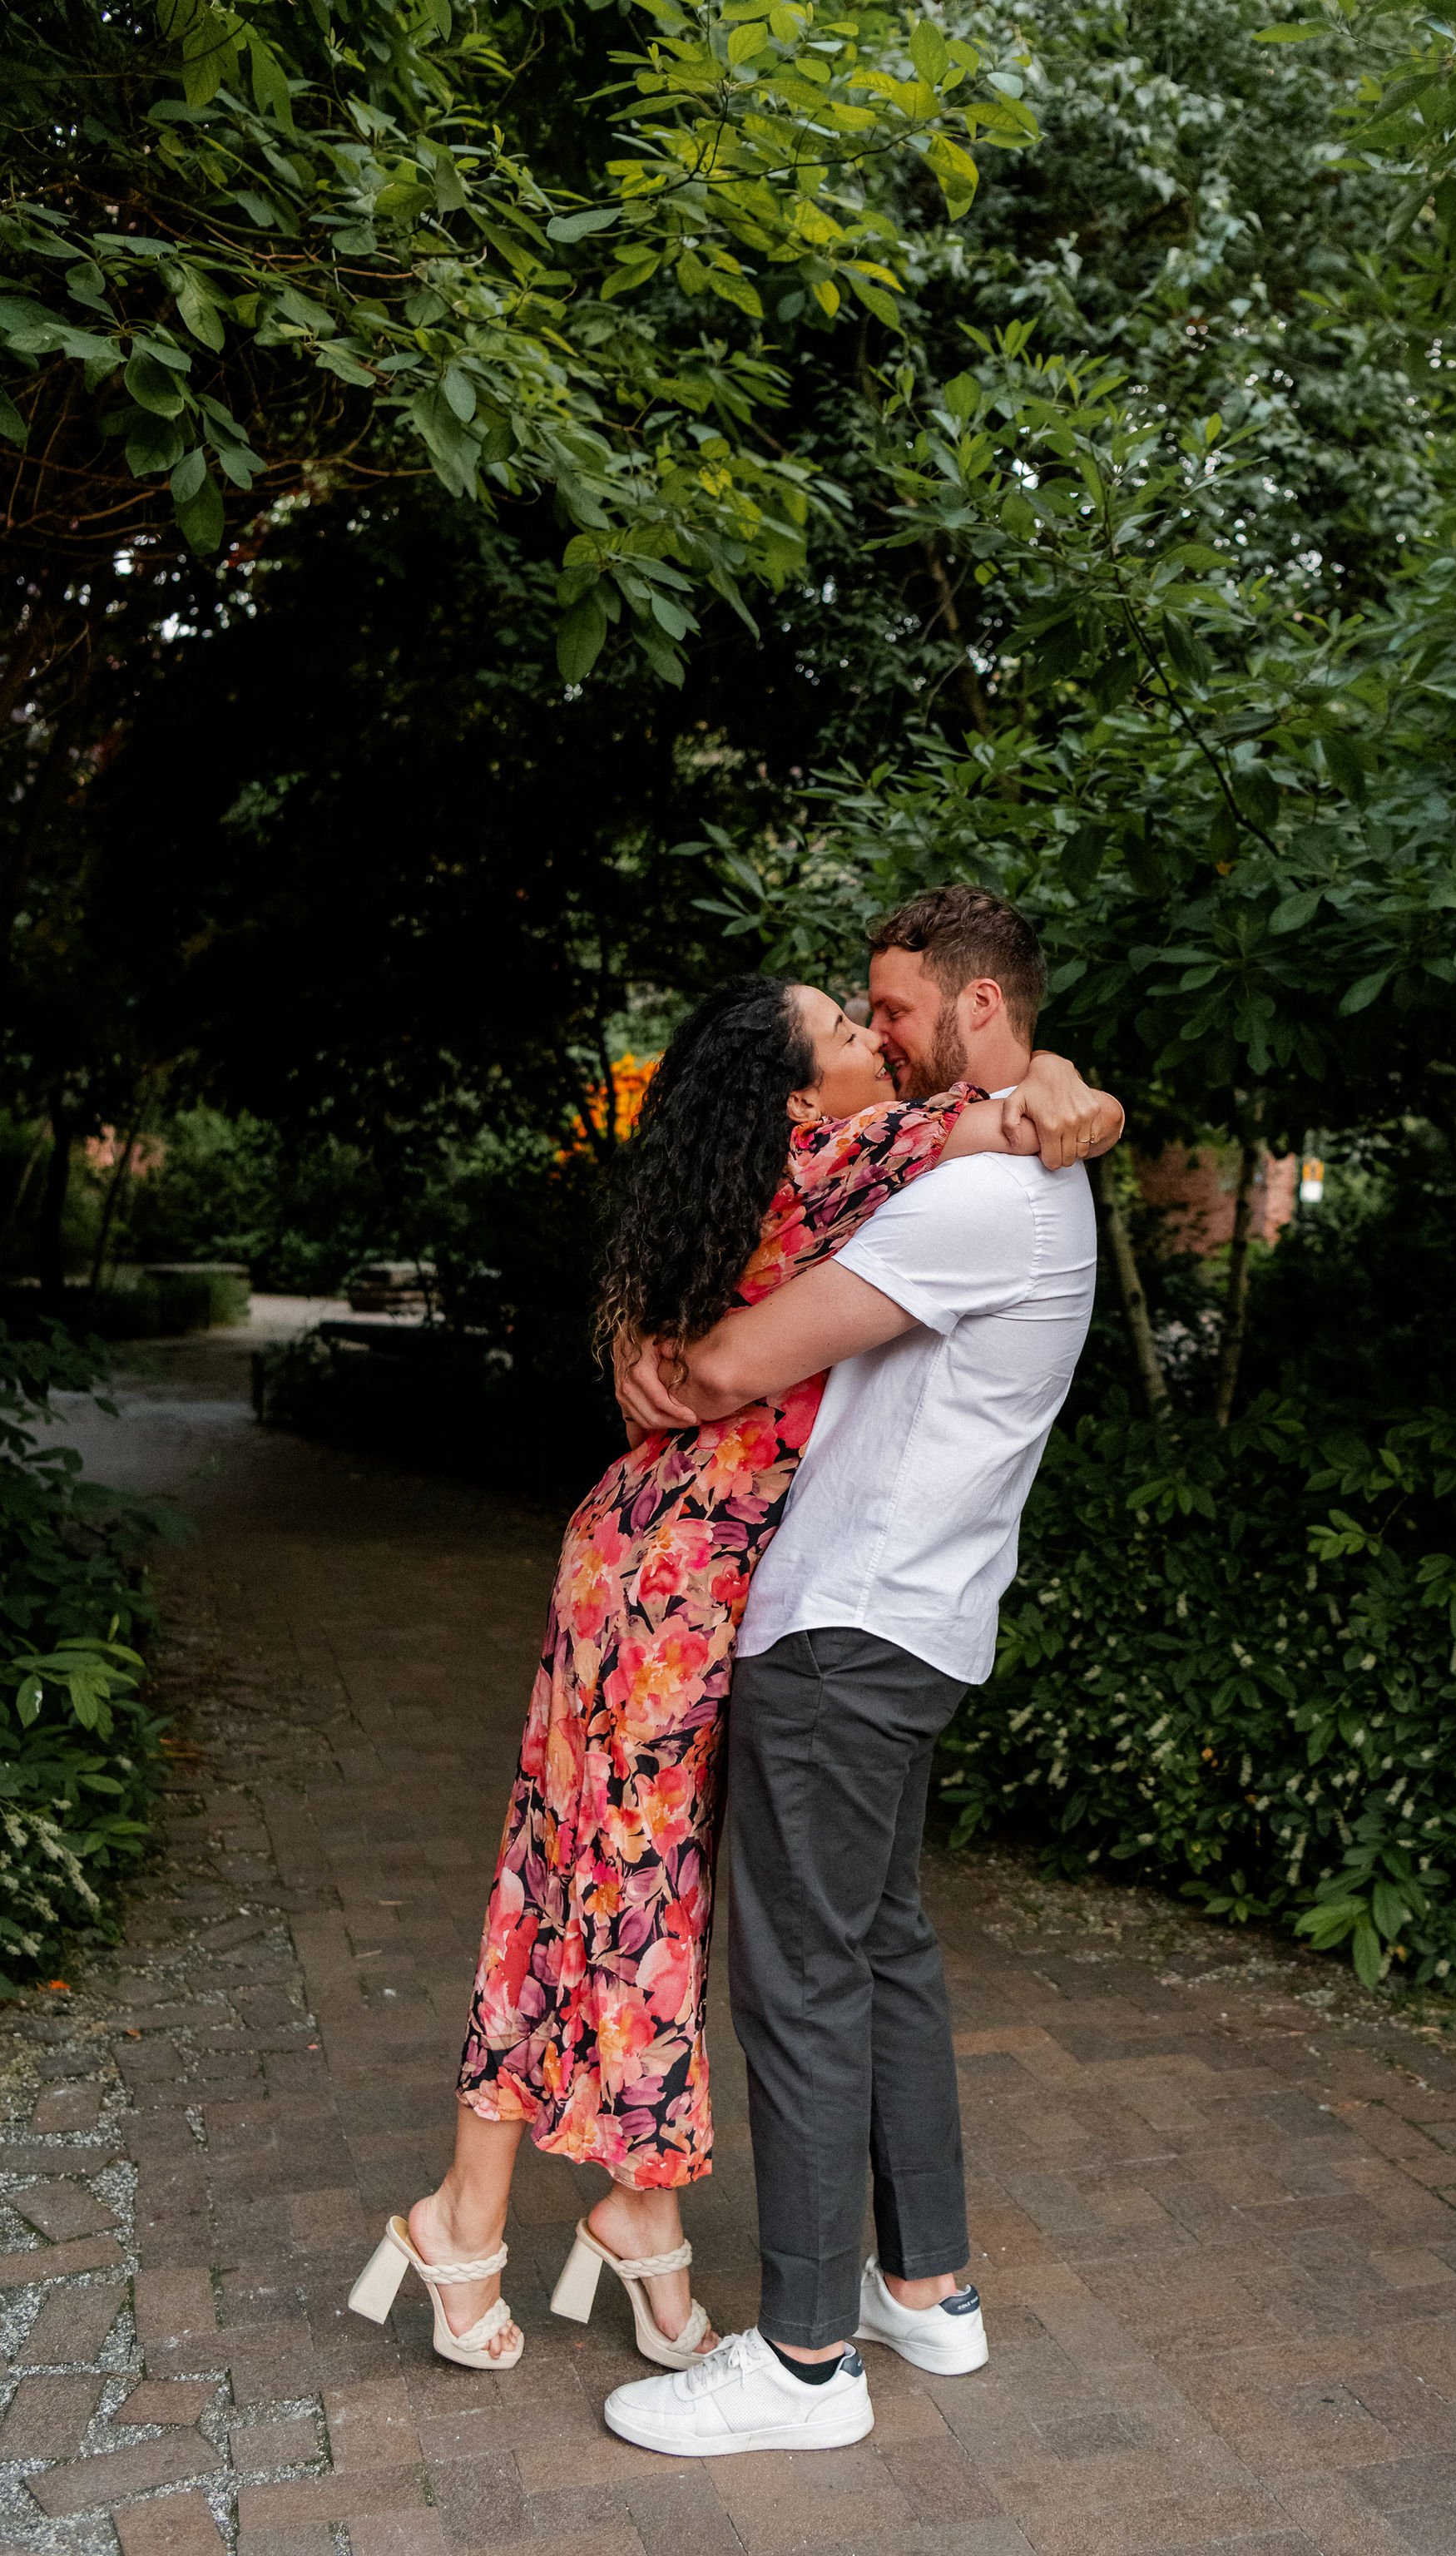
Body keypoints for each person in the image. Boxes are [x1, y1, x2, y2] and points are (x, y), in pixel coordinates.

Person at [347, 962, 1120, 2375]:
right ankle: (503, 2215)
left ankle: (575, 2213)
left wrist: (1059, 1079)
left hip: (638, 1563)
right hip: (682, 1592)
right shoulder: (835, 1158)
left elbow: (1026, 1099)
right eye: (844, 1032)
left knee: (567, 1879)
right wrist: (1068, 1090)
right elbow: (1018, 1117)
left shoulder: (727, 1190)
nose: (873, 1047)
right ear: (793, 1095)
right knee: (637, 1904)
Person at [606, 884, 1102, 2459]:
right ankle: (926, 2287)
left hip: (839, 1633)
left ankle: (807, 2357)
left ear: (973, 1006)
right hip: (917, 1625)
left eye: (890, 1009)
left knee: (804, 1975)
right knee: (880, 1949)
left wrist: (641, 1361)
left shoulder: (979, 1195)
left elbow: (746, 1363)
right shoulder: (1028, 1171)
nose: (877, 1040)